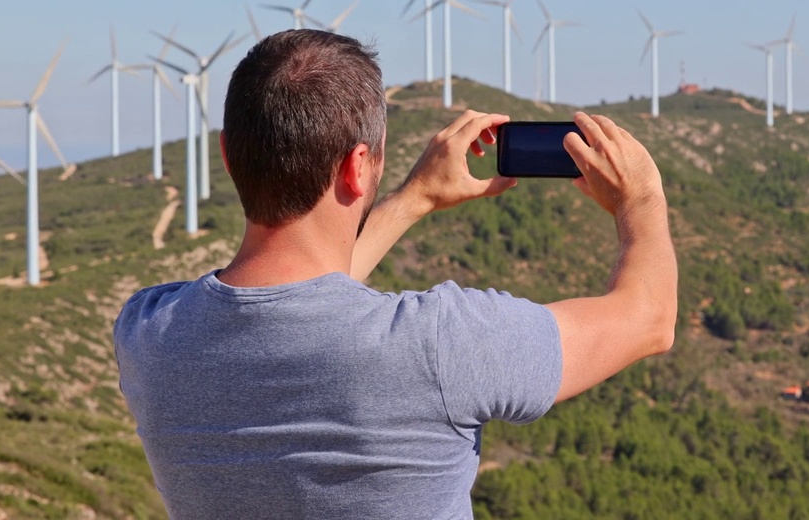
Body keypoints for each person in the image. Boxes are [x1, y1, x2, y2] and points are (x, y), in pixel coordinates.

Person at [114, 29, 677, 519]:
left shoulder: (148, 333)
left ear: (229, 157)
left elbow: (295, 295)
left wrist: (413, 200)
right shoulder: (440, 344)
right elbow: (650, 318)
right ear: (359, 167)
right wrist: (643, 199)